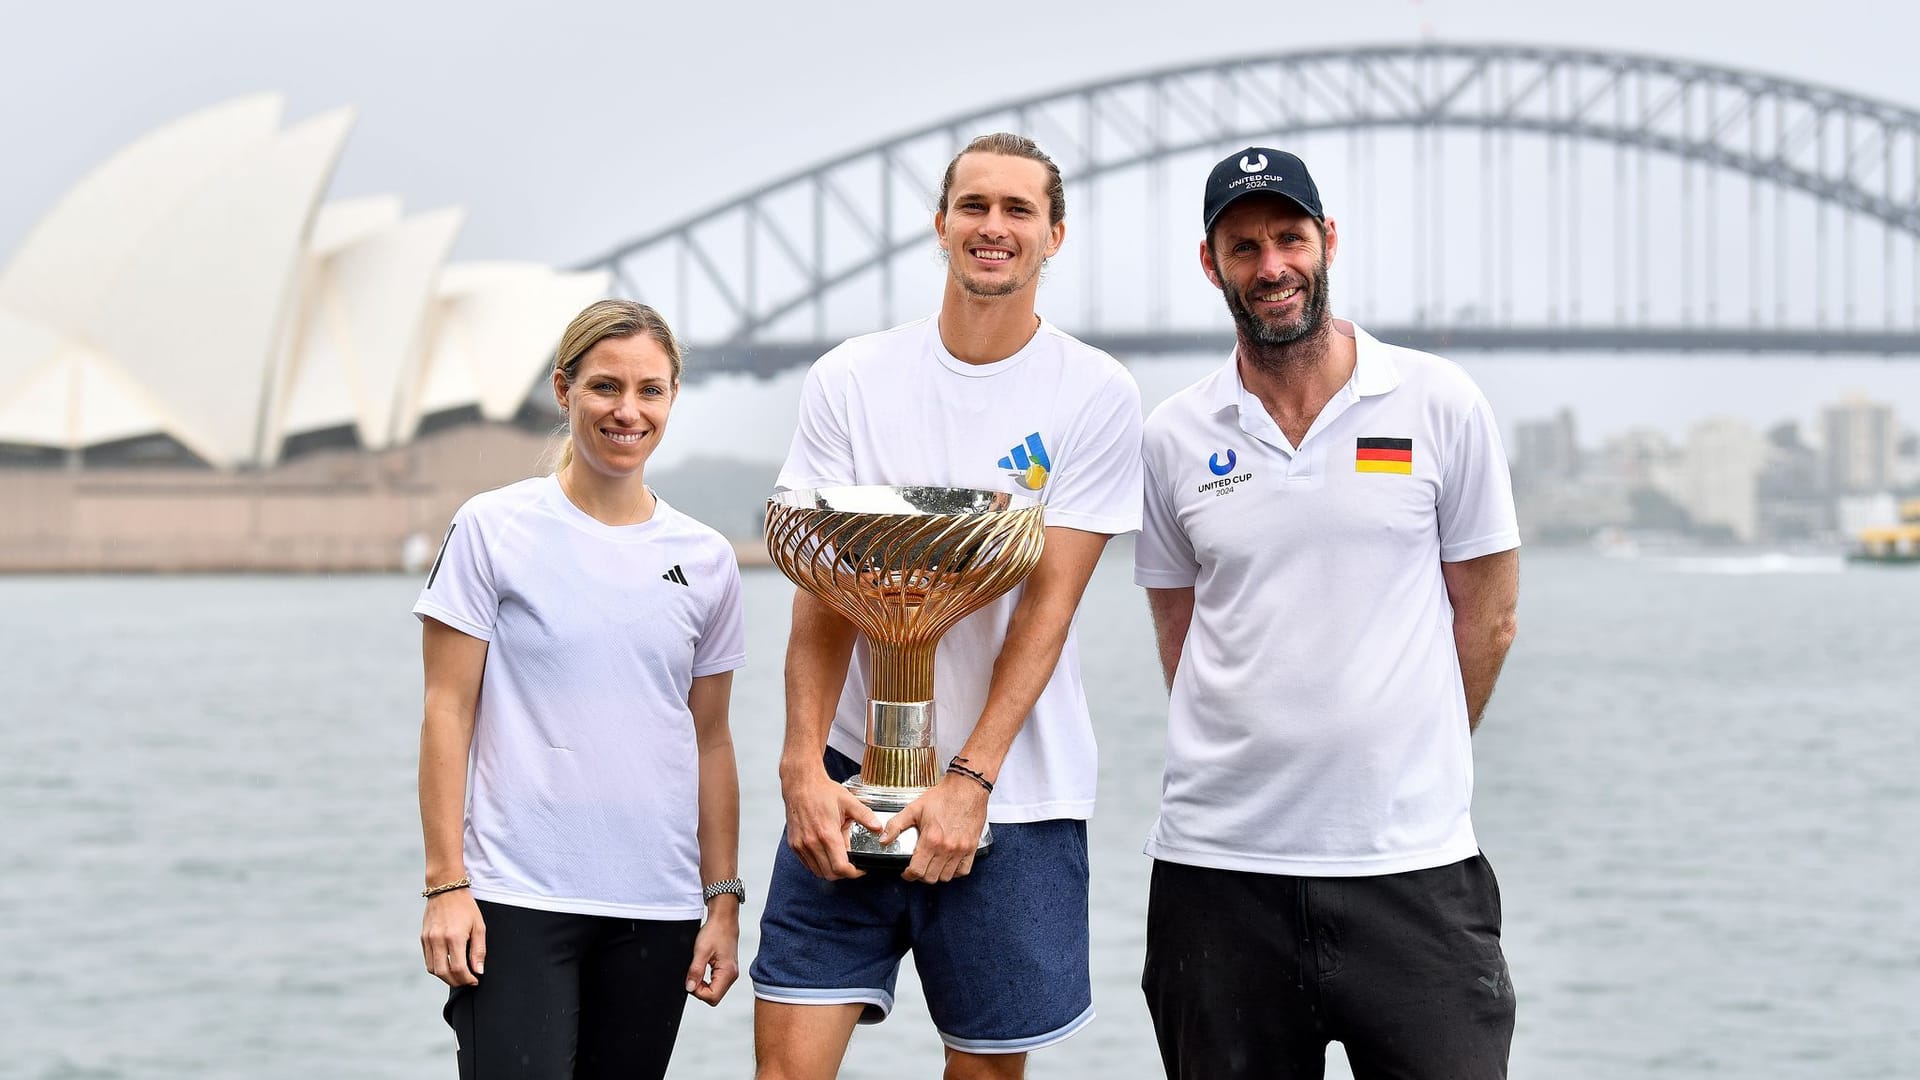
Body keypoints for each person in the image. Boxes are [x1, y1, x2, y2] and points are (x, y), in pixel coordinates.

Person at [750, 132, 1143, 1079]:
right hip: (850, 773)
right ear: (940, 224)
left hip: (1014, 792)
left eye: (1018, 211)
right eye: (974, 207)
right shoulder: (851, 378)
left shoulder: (1095, 392)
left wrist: (971, 781)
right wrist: (802, 763)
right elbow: (822, 595)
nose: (993, 227)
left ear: (1055, 235)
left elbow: (1048, 608)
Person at [1134, 147, 1523, 1079]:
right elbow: (1180, 632)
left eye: (1289, 238)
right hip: (1218, 877)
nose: (1272, 266)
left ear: (1327, 240)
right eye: (1244, 247)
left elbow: (1491, 615)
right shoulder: (1173, 436)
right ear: (1210, 263)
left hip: (1413, 872)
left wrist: (1401, 749)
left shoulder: (1438, 402)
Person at [413, 299, 747, 1079]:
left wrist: (722, 900)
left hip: (655, 907)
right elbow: (445, 709)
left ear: (671, 399)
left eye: (650, 390)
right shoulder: (492, 528)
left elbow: (712, 738)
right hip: (515, 898)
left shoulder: (705, 559)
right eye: (605, 387)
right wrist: (445, 885)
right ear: (564, 390)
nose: (627, 411)